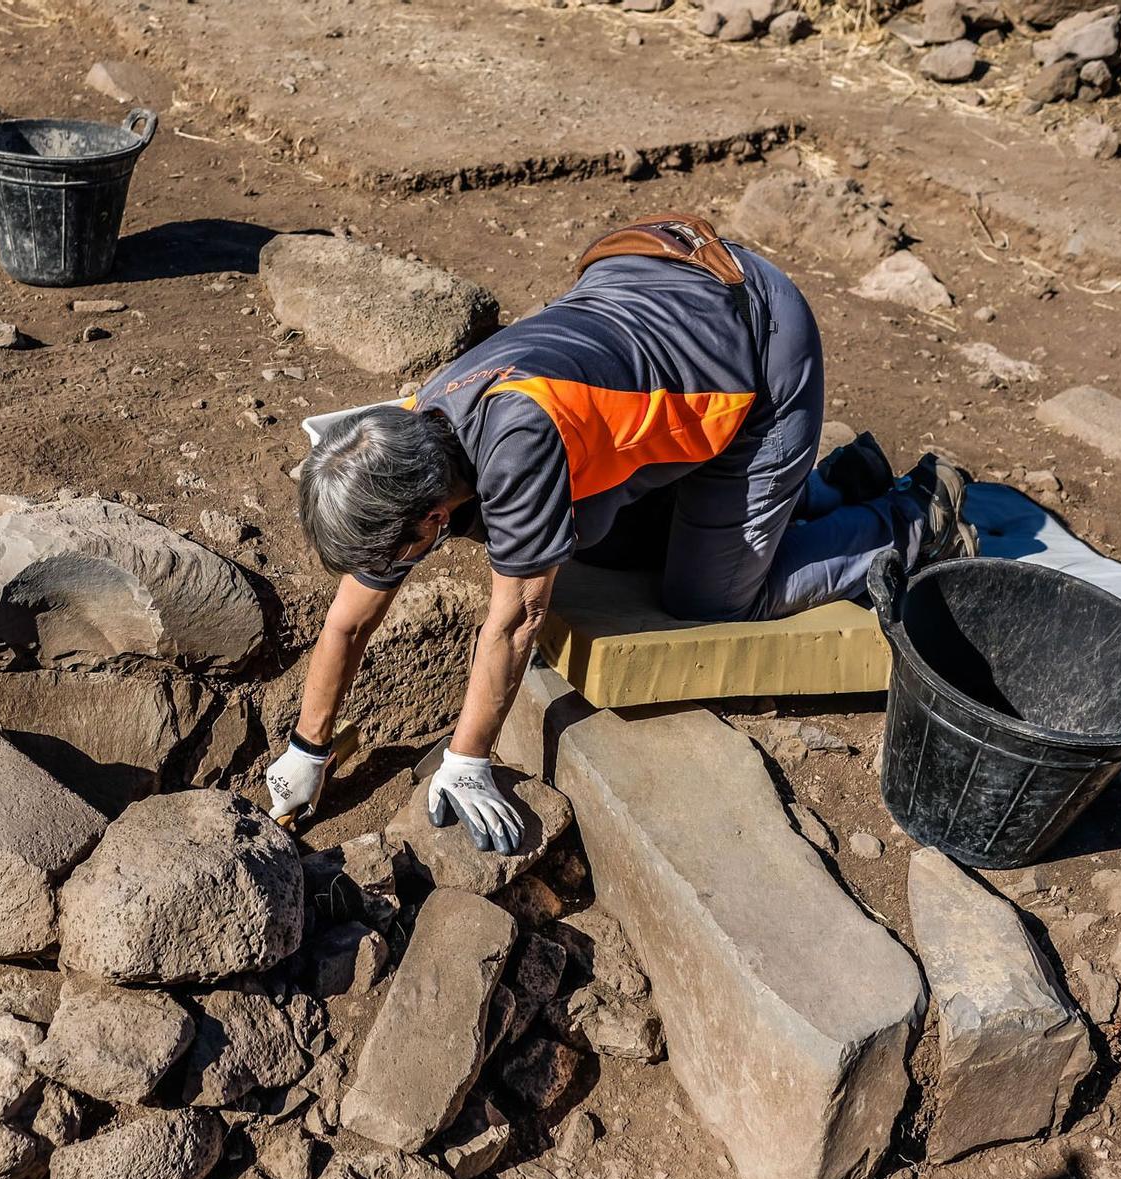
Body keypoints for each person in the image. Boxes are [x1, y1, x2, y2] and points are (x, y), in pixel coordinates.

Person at [264, 214, 977, 851]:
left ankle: (916, 518)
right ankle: (836, 483)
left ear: (432, 521)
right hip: (659, 295)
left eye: (394, 555)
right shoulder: (410, 438)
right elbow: (349, 625)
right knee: (595, 540)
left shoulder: (518, 443)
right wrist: (307, 747)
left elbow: (515, 623)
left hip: (754, 334)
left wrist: (468, 760)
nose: (385, 571)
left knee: (711, 593)